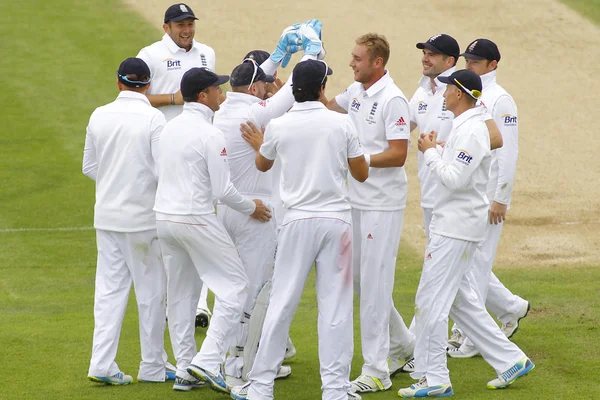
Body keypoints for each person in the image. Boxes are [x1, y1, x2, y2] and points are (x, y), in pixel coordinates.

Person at [230, 58, 368, 400]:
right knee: (335, 307)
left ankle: (261, 386)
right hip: (336, 222)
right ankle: (335, 390)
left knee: (282, 302)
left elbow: (263, 163)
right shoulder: (342, 123)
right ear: (321, 89)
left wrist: (265, 141)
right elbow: (362, 174)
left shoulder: (280, 125)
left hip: (295, 223)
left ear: (293, 91)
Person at [397, 69, 534, 398]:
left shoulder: (472, 129)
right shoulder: (467, 126)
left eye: (447, 90)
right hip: (455, 223)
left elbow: (456, 179)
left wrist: (430, 152)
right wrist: (441, 149)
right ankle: (511, 360)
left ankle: (435, 379)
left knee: (429, 303)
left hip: (455, 228)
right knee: (460, 301)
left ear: (460, 93)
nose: (443, 94)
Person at [212, 20, 324, 385]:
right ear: (257, 88)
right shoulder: (256, 114)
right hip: (256, 215)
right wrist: (311, 49)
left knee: (232, 288)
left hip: (226, 211)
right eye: (263, 83)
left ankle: (228, 359)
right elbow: (295, 88)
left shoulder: (223, 111)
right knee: (256, 291)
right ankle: (241, 367)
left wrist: (277, 55)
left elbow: (268, 84)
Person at [154, 67, 271, 393]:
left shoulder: (168, 128)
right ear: (204, 96)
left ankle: (184, 370)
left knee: (180, 295)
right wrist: (253, 207)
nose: (222, 93)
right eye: (216, 89)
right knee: (235, 286)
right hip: (196, 218)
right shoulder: (210, 134)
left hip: (164, 219)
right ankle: (207, 361)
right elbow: (223, 191)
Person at [406, 34, 505, 361]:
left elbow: (492, 141)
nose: (426, 57)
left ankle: (421, 363)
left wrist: (437, 151)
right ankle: (510, 354)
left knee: (433, 293)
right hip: (439, 204)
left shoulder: (473, 116)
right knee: (458, 293)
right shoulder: (425, 93)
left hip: (456, 214)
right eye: (425, 52)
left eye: (433, 54)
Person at [326, 33, 415, 393]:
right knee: (362, 281)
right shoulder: (358, 92)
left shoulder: (393, 99)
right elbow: (327, 107)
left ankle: (377, 369)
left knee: (375, 285)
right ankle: (404, 344)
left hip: (382, 203)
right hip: (357, 199)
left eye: (357, 59)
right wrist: (309, 64)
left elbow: (398, 154)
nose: (352, 63)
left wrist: (359, 159)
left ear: (377, 63)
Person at [83, 57, 172, 385]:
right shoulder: (154, 118)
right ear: (148, 85)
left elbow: (89, 166)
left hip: (106, 218)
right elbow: (164, 171)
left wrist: (114, 184)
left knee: (108, 292)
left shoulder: (99, 114)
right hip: (143, 220)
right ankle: (152, 365)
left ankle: (101, 363)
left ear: (119, 83)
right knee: (151, 293)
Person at [447, 39, 530, 358]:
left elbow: (508, 152)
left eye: (476, 62)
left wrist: (501, 198)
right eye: (468, 60)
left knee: (477, 266)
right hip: (472, 193)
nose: (469, 65)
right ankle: (511, 308)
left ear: (493, 64)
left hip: (489, 197)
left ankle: (473, 337)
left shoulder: (501, 99)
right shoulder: (474, 93)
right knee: (468, 263)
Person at [136, 2, 215, 326]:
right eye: (180, 25)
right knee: (169, 227)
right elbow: (136, 95)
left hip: (198, 151)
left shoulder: (206, 53)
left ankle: (199, 306)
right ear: (166, 27)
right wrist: (173, 99)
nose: (187, 30)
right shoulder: (150, 54)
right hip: (163, 151)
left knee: (200, 223)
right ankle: (172, 299)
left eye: (190, 24)